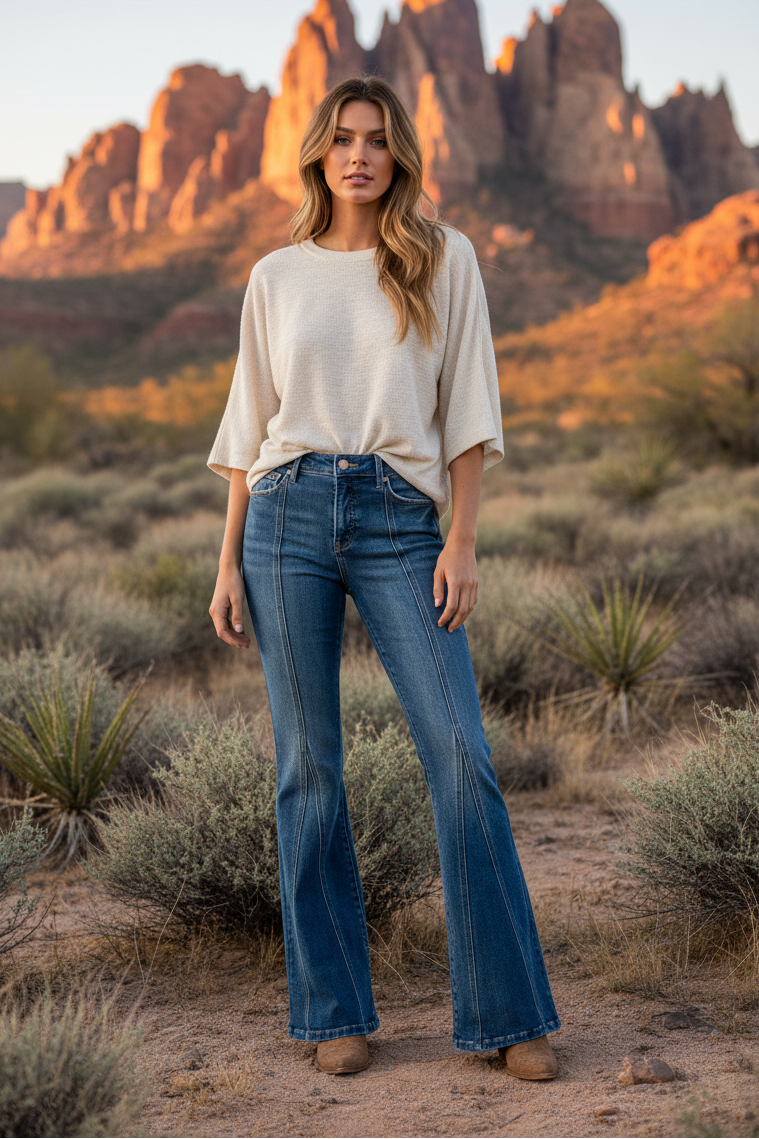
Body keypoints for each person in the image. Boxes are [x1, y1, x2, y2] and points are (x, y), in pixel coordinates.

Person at [208, 75, 560, 1080]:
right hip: (283, 517)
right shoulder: (276, 276)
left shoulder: (444, 259)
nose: (359, 155)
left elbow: (470, 409)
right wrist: (227, 557)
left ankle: (509, 1013)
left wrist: (463, 538)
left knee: (461, 758)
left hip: (404, 521)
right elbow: (247, 428)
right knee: (307, 770)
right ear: (318, 153)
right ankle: (332, 1010)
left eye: (377, 140)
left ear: (400, 153)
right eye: (341, 139)